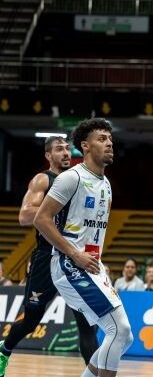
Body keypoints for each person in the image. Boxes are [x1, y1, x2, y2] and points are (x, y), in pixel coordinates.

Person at [32, 118, 133, 377]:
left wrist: (97, 259)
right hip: (68, 263)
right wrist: (75, 253)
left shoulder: (106, 184)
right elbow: (41, 220)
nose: (109, 143)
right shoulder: (70, 178)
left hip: (92, 265)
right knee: (117, 331)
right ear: (85, 146)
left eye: (110, 139)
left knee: (126, 337)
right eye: (102, 139)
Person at [0, 136, 99, 376]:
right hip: (46, 257)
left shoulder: (77, 180)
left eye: (67, 148)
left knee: (86, 324)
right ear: (48, 156)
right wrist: (54, 208)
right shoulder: (44, 179)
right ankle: (4, 350)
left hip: (73, 257)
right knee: (31, 321)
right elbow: (24, 216)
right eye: (59, 149)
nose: (66, 152)